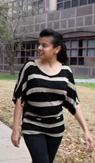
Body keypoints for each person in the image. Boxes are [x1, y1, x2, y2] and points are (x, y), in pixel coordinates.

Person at [11, 29, 94, 163]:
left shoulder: (66, 71)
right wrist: (16, 129)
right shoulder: (30, 68)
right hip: (32, 126)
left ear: (57, 49)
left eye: (44, 45)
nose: (39, 48)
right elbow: (20, 98)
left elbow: (74, 102)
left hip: (56, 129)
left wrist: (86, 130)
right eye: (39, 44)